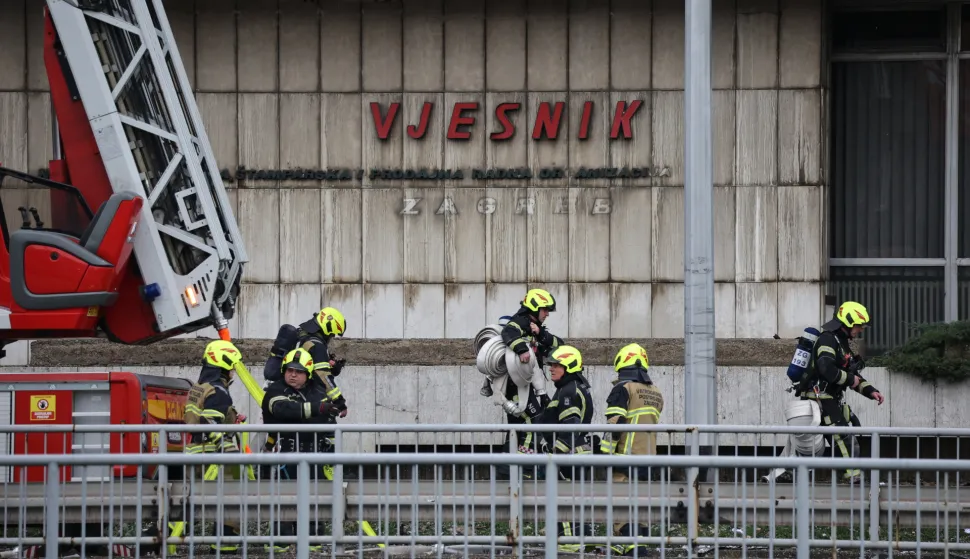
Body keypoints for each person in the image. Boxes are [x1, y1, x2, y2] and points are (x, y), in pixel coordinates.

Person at [261, 348, 341, 552]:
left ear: (308, 373)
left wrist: (332, 452)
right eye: (289, 370)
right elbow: (283, 410)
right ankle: (280, 541)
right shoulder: (275, 390)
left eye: (298, 371)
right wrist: (316, 409)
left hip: (314, 454)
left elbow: (327, 420)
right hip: (285, 456)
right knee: (284, 500)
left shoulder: (318, 390)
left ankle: (312, 541)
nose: (293, 375)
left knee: (314, 499)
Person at [797, 301, 884, 483]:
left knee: (809, 443)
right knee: (841, 435)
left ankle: (788, 473)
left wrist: (871, 391)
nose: (861, 329)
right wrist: (850, 379)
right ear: (848, 322)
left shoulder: (842, 343)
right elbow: (826, 368)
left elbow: (853, 375)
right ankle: (853, 476)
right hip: (819, 397)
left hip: (828, 398)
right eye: (859, 325)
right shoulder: (828, 339)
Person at [600, 343, 665, 556]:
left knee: (621, 505)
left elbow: (615, 423)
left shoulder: (623, 388)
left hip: (625, 459)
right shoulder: (656, 392)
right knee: (641, 506)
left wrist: (604, 453)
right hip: (649, 459)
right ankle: (639, 547)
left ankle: (629, 545)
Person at [184, 339, 247, 553]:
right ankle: (225, 546)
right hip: (214, 457)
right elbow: (209, 420)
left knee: (189, 504)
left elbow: (200, 417)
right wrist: (225, 446)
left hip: (195, 453)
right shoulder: (218, 390)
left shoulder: (200, 387)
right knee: (231, 500)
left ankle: (166, 541)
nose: (233, 372)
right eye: (232, 367)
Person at [490, 289, 564, 457]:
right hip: (515, 386)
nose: (547, 314)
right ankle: (524, 464)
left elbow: (560, 346)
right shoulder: (520, 322)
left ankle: (507, 465)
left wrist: (541, 333)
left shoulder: (534, 329)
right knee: (534, 419)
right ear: (534, 307)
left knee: (516, 427)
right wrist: (522, 349)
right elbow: (508, 332)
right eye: (545, 309)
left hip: (524, 386)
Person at [537, 345, 596, 553]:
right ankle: (581, 537)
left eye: (556, 365)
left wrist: (556, 456)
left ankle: (571, 542)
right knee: (575, 498)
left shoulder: (569, 390)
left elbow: (570, 427)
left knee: (565, 499)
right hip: (575, 454)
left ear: (569, 366)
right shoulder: (570, 388)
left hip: (569, 456)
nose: (551, 368)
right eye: (551, 364)